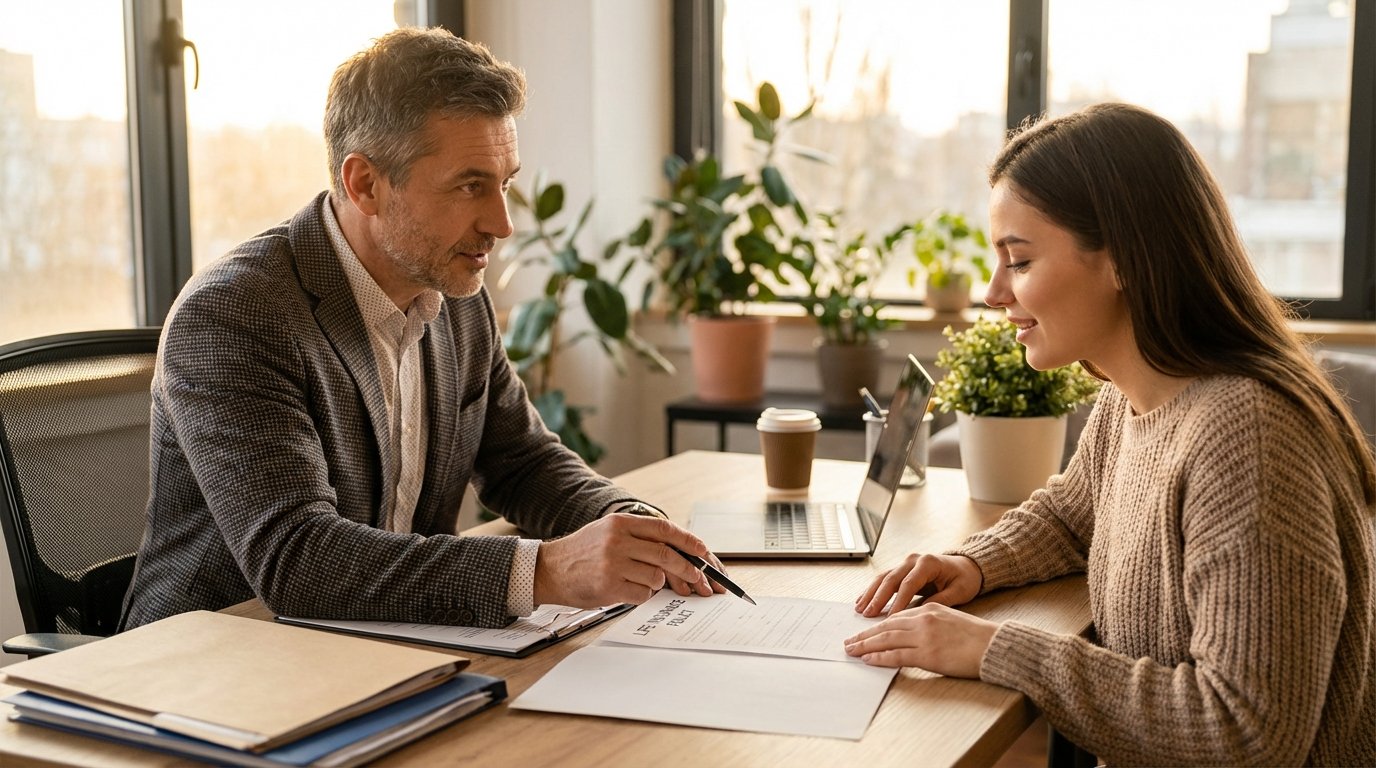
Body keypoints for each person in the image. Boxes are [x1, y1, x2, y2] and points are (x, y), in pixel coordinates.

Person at [120, 27, 722, 631]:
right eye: (470, 185)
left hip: (380, 643)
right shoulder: (235, 315)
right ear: (365, 184)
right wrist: (547, 572)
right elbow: (298, 560)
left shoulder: (453, 291)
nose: (502, 223)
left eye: (505, 182)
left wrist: (634, 524)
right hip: (210, 663)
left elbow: (522, 461)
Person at [844, 103, 1376, 765]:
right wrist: (971, 565)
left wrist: (994, 650)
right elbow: (1075, 514)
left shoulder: (1249, 439)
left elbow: (1244, 733)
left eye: (1019, 261)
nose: (992, 293)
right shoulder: (1135, 397)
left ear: (1122, 259)